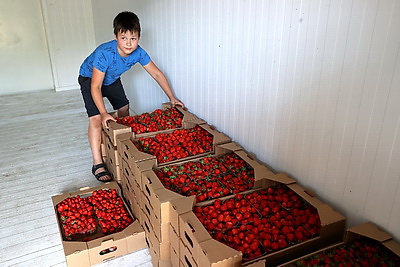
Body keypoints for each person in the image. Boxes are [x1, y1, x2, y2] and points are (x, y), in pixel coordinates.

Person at [78, 11, 184, 182]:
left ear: (138, 38)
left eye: (133, 38)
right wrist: (104, 113)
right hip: (90, 78)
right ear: (116, 37)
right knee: (96, 119)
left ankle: (121, 141)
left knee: (124, 108)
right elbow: (96, 86)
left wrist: (172, 97)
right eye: (124, 38)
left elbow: (156, 74)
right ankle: (97, 162)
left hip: (111, 78)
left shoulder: (139, 53)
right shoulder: (105, 53)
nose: (128, 43)